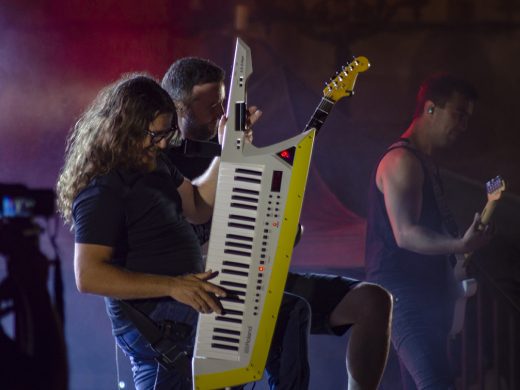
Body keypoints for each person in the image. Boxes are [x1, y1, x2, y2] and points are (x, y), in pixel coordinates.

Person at [56, 73, 310, 390]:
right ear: (126, 127)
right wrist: (174, 286)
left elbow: (198, 205)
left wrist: (227, 149)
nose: (163, 143)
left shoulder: (155, 162)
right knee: (279, 317)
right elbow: (89, 275)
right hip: (156, 317)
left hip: (186, 297)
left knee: (288, 312)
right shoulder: (103, 187)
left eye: (167, 134)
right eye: (155, 135)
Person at [162, 57, 393, 390]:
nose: (220, 114)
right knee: (276, 322)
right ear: (178, 106)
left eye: (222, 103)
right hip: (205, 296)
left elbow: (281, 230)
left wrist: (280, 217)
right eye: (210, 105)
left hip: (258, 280)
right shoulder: (162, 161)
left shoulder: (237, 147)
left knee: (373, 300)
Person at [364, 73, 492, 389]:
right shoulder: (401, 161)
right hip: (401, 296)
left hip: (424, 295)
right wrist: (457, 243)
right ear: (431, 109)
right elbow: (405, 234)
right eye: (458, 115)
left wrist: (459, 253)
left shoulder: (424, 163)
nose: (463, 126)